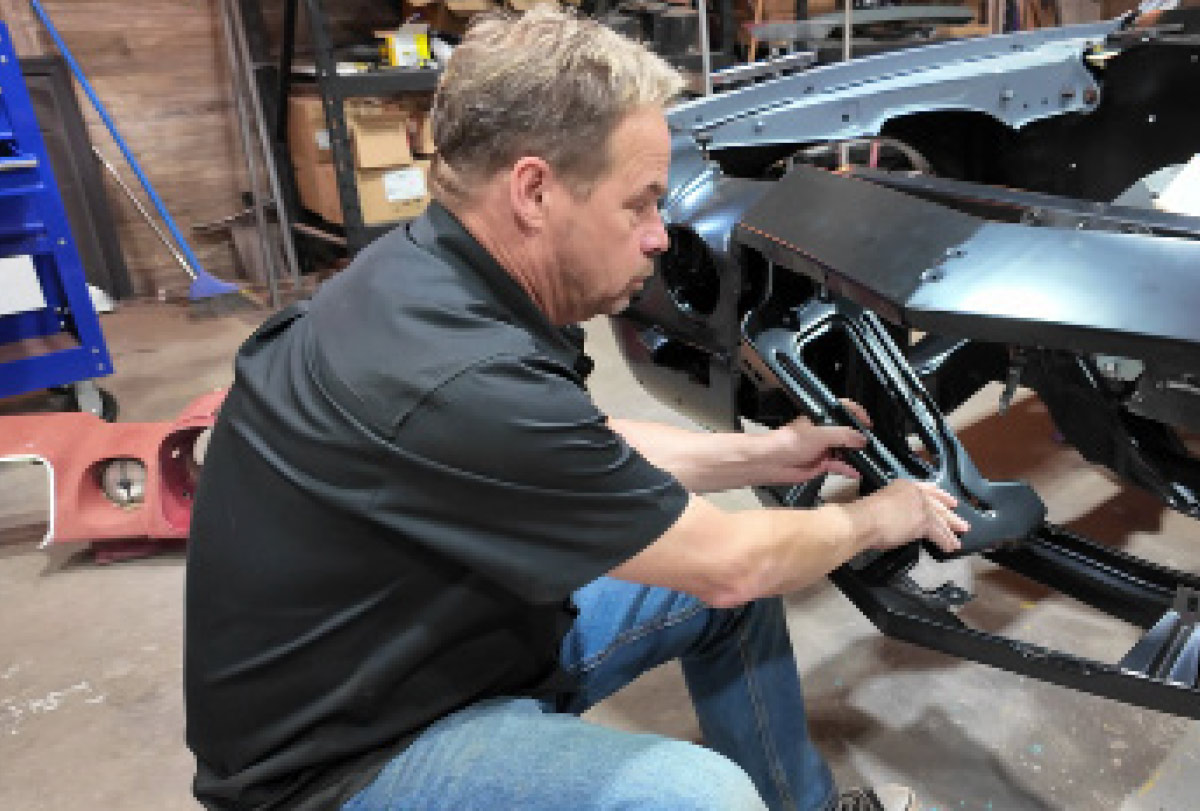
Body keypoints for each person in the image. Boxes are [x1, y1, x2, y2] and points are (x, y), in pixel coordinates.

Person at [184, 8, 968, 811]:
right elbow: (733, 562)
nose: (659, 237)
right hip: (344, 764)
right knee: (696, 793)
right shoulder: (456, 373)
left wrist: (764, 455)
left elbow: (573, 446)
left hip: (432, 652)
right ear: (533, 190)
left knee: (715, 591)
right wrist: (881, 516)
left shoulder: (431, 278)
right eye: (639, 204)